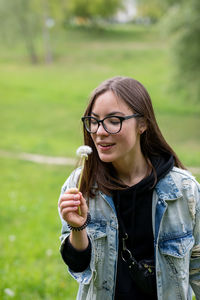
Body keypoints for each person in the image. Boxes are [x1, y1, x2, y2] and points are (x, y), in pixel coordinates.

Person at [58, 76, 200, 300]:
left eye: (114, 120)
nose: (100, 131)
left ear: (142, 124)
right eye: (94, 121)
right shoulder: (81, 185)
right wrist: (78, 228)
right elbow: (78, 266)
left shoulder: (184, 191)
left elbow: (198, 269)